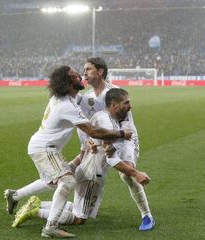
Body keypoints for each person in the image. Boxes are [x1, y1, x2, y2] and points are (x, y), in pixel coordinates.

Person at [7, 65, 132, 238]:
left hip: (45, 147)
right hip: (44, 149)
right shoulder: (66, 105)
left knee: (52, 182)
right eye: (75, 77)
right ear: (67, 83)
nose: (80, 77)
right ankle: (50, 226)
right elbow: (93, 132)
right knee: (67, 180)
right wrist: (121, 133)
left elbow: (91, 105)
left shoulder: (70, 98)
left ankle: (15, 195)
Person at [12, 88, 151, 227]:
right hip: (91, 176)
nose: (130, 106)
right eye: (126, 103)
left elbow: (93, 139)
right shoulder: (105, 120)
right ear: (114, 105)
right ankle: (36, 211)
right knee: (79, 219)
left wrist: (90, 144)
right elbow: (110, 156)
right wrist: (135, 173)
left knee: (81, 208)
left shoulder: (104, 117)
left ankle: (39, 204)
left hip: (89, 172)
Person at [74, 57, 155, 231]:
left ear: (100, 71)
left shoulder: (115, 92)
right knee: (88, 174)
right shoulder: (88, 97)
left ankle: (147, 215)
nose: (85, 73)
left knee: (127, 174)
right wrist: (87, 141)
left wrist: (119, 136)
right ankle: (81, 210)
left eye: (88, 69)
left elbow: (126, 121)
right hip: (102, 139)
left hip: (124, 138)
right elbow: (88, 124)